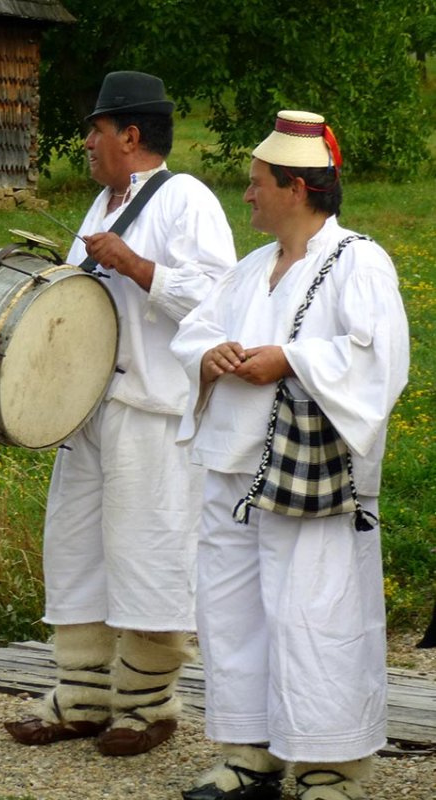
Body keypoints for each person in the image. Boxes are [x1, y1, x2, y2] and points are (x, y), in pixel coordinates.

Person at [172, 111, 409, 800]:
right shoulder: (247, 271)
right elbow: (193, 334)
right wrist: (208, 356)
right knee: (230, 610)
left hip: (311, 477)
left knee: (315, 614)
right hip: (231, 466)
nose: (244, 195)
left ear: (296, 187)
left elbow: (377, 360)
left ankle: (327, 765)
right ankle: (249, 753)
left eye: (255, 184)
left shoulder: (357, 261)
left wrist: (289, 359)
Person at [3, 71, 236, 756]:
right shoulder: (101, 205)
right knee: (76, 552)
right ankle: (79, 697)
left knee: (148, 556)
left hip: (152, 412)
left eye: (95, 131)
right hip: (90, 411)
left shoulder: (185, 199)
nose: (86, 143)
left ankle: (146, 707)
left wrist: (139, 267)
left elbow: (217, 302)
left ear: (129, 135)